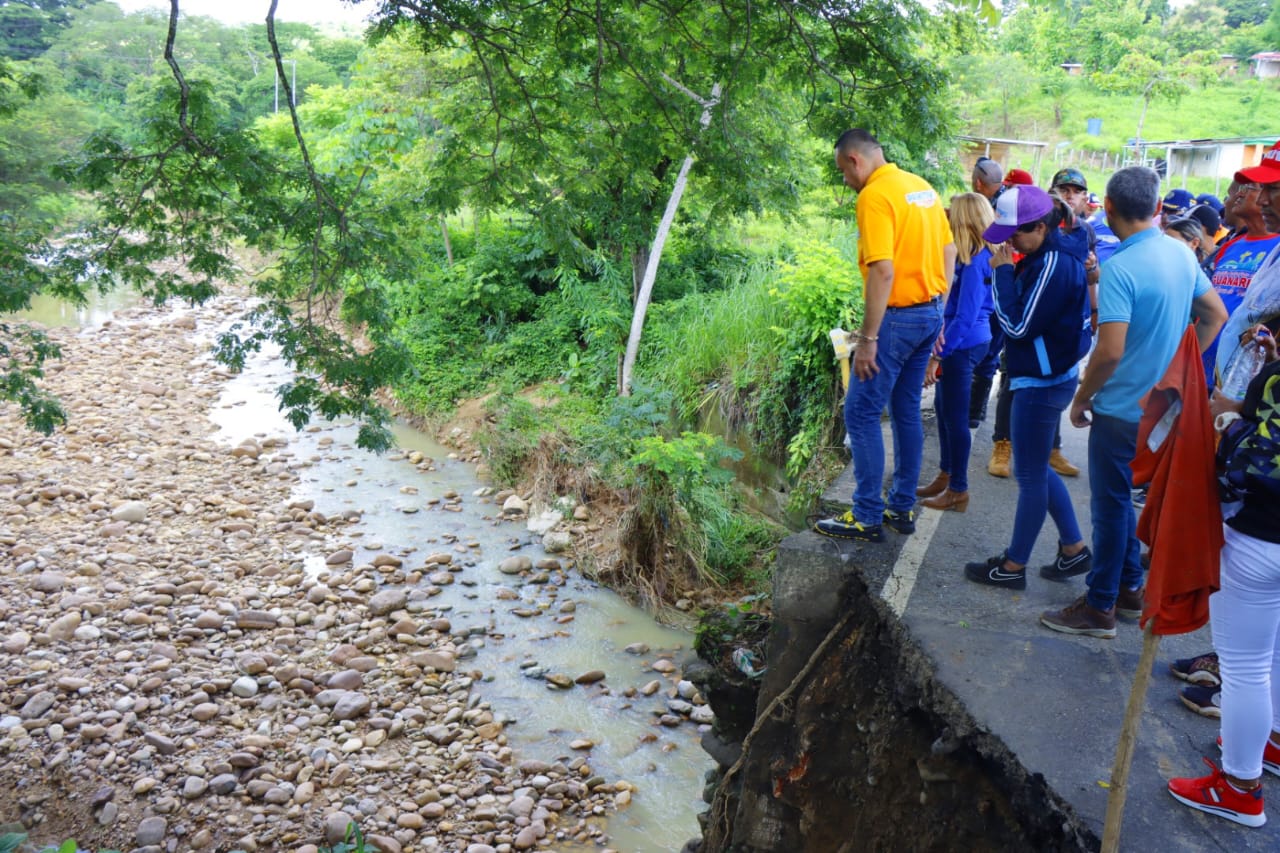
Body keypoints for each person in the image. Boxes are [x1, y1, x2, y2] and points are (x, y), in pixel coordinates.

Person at [1040, 166, 1227, 638]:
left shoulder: (1120, 267)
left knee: (1108, 506)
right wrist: (1178, 368)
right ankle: (1127, 588)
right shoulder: (1182, 255)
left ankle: (1099, 606)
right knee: (1122, 501)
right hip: (1163, 412)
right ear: (1157, 208)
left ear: (1108, 208)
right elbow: (1215, 314)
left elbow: (1110, 351)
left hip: (1124, 410)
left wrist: (1082, 399)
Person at [815, 129, 954, 542]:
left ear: (855, 160)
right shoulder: (920, 187)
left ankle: (866, 515)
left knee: (860, 412)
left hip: (895, 320)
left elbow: (882, 270)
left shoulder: (874, 196)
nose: (844, 179)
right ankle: (900, 507)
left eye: (842, 171)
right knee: (907, 409)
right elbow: (949, 250)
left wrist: (869, 339)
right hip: (928, 312)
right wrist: (939, 309)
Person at [1167, 341, 1280, 827]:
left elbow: (1260, 464)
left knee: (1245, 669)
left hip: (1263, 533)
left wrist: (1229, 417)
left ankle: (1239, 788)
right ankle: (1270, 742)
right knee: (1273, 652)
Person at [963, 186, 1092, 590]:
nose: (1011, 243)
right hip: (1043, 375)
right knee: (1034, 467)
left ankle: (1013, 566)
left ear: (1040, 227)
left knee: (1031, 475)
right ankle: (1073, 549)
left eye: (1016, 234)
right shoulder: (1049, 254)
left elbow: (1017, 326)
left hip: (1042, 380)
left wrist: (1001, 273)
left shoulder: (1051, 263)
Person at [917, 194, 995, 513]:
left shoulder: (976, 260)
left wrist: (938, 355)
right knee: (944, 410)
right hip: (959, 341)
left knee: (955, 418)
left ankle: (958, 490)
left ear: (963, 221)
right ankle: (946, 475)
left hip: (963, 344)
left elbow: (965, 315)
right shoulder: (967, 256)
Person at [969, 169, 1037, 429]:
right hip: (995, 289)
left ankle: (976, 410)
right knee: (986, 351)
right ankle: (972, 407)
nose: (1006, 191)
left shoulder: (1028, 223)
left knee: (992, 354)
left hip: (1010, 295)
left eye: (1013, 187)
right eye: (1006, 186)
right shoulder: (1000, 211)